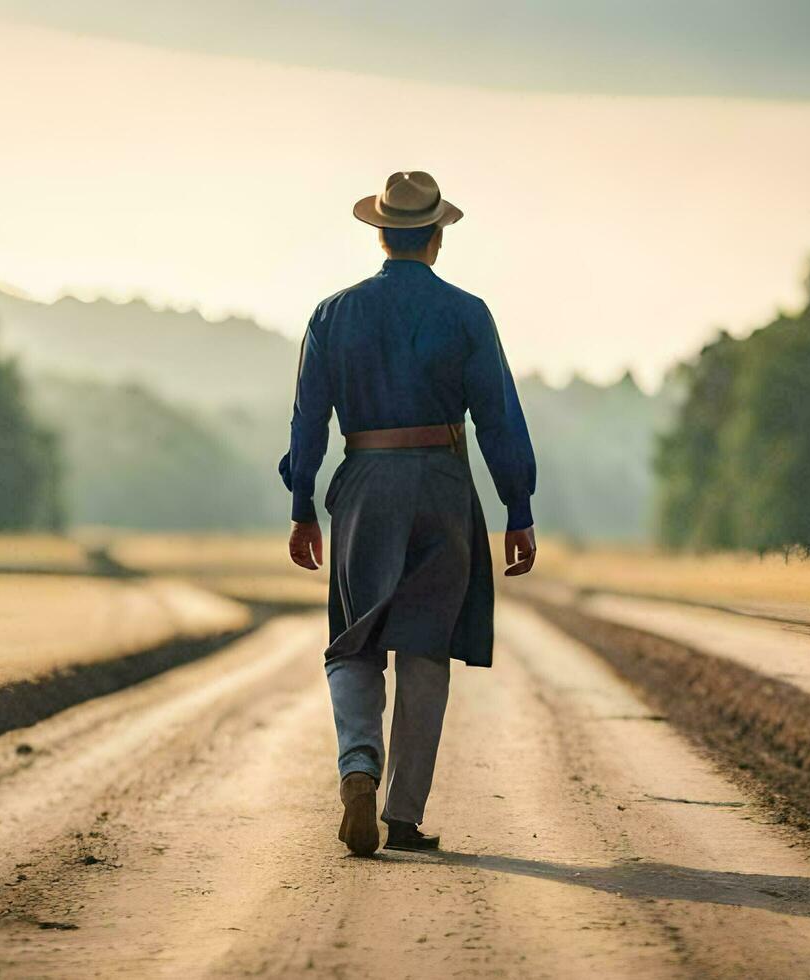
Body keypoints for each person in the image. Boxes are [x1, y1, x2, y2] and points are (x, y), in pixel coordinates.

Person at [278, 170, 538, 857]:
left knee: (355, 639)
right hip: (444, 488)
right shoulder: (468, 313)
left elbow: (308, 421)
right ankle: (401, 813)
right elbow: (498, 418)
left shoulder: (332, 314)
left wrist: (303, 503)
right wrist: (518, 505)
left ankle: (358, 767)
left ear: (382, 232)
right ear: (437, 237)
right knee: (425, 644)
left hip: (365, 484)